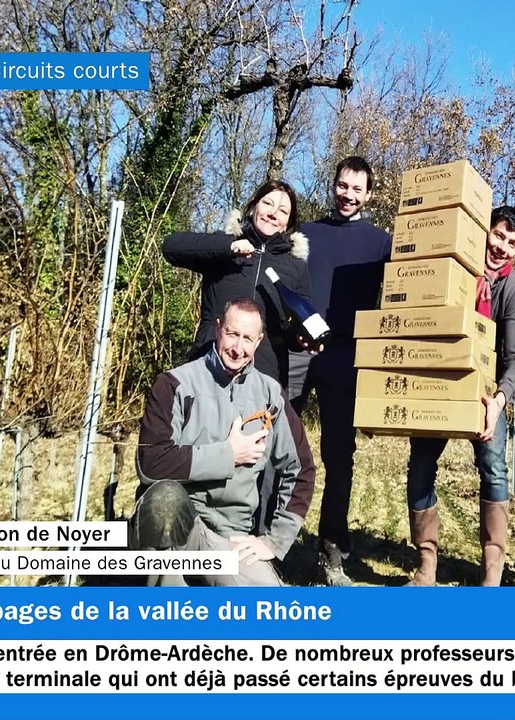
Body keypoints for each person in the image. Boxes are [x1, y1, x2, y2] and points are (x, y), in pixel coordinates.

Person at [132, 297, 316, 586]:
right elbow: (151, 462)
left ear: (258, 342)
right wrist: (227, 455)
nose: (237, 348)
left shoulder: (271, 395)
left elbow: (302, 469)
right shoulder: (174, 385)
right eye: (231, 334)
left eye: (247, 338)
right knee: (164, 500)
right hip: (180, 526)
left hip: (231, 536)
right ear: (218, 329)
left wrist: (274, 541)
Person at [403, 206, 515, 586]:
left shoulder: (514, 289)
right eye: (498, 236)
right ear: (483, 232)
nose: (503, 248)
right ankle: (426, 564)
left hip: (486, 393)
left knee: (494, 469)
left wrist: (498, 402)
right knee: (421, 466)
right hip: (439, 383)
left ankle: (491, 574)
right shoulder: (452, 270)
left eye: (512, 243)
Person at [291, 156, 392, 586]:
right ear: (332, 185)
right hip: (297, 354)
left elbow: (422, 274)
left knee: (339, 457)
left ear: (369, 194)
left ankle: (331, 552)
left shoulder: (381, 243)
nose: (348, 195)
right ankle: (266, 543)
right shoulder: (305, 234)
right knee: (277, 448)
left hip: (346, 358)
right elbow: (280, 282)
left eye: (357, 189)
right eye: (342, 186)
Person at [162, 180, 311, 388]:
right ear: (253, 207)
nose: (273, 213)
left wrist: (301, 338)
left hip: (264, 380)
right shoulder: (225, 246)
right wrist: (228, 247)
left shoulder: (296, 267)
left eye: (283, 211)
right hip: (209, 368)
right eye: (267, 203)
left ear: (288, 223)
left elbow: (295, 330)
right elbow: (171, 247)